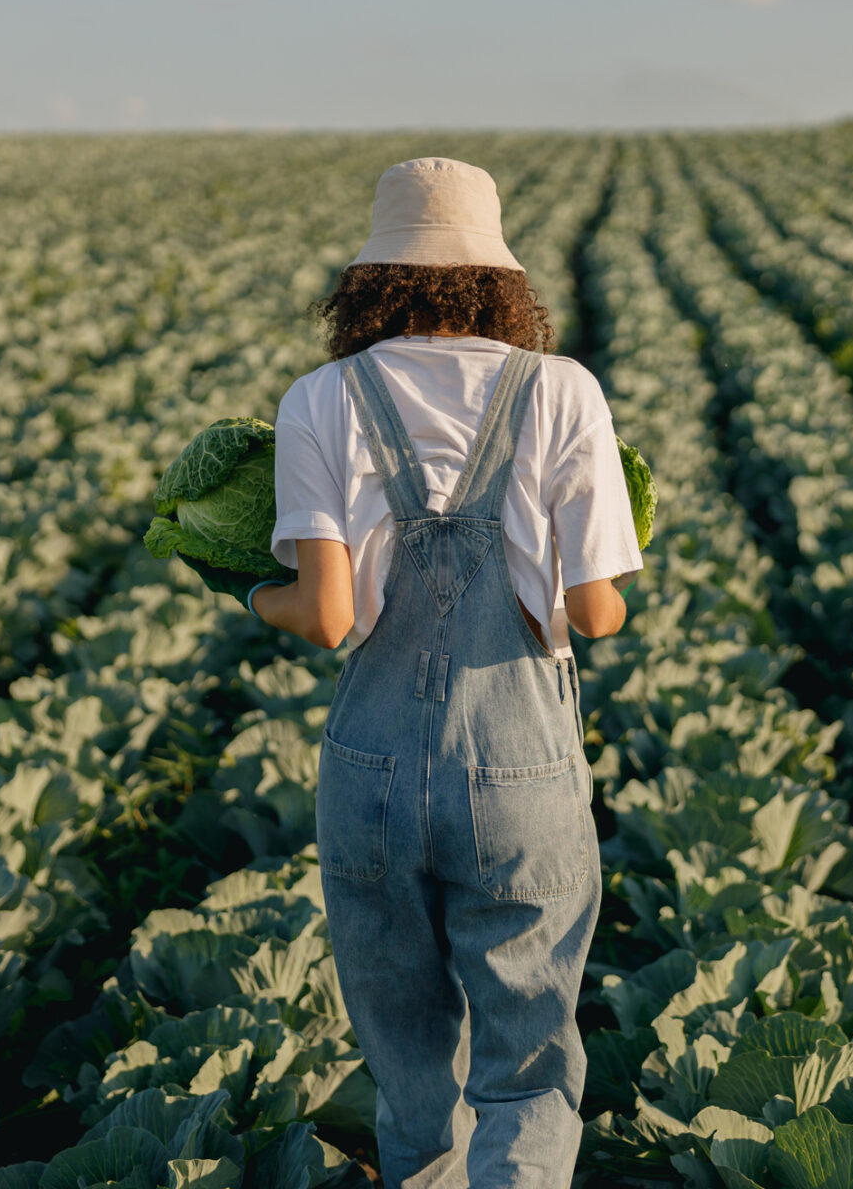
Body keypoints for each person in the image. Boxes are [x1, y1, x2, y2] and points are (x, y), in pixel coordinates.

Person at [240, 156, 643, 1188]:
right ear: (499, 280)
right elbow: (598, 611)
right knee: (528, 1068)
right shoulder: (562, 390)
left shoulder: (320, 398)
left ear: (371, 279)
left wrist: (255, 595)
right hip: (521, 770)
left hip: (369, 770)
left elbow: (326, 615)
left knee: (414, 1073)